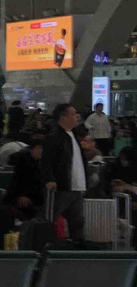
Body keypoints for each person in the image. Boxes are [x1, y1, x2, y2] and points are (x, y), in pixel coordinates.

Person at [40, 103, 89, 241]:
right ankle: (44, 244)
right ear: (63, 118)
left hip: (77, 186)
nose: (76, 117)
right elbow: (46, 161)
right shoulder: (54, 137)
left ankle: (77, 247)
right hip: (62, 186)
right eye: (73, 114)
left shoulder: (73, 135)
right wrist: (50, 178)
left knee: (77, 222)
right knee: (50, 218)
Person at [4, 138, 45, 215]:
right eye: (38, 148)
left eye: (43, 149)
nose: (41, 151)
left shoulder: (45, 165)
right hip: (21, 196)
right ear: (32, 149)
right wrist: (21, 196)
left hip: (39, 197)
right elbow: (17, 183)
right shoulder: (23, 163)